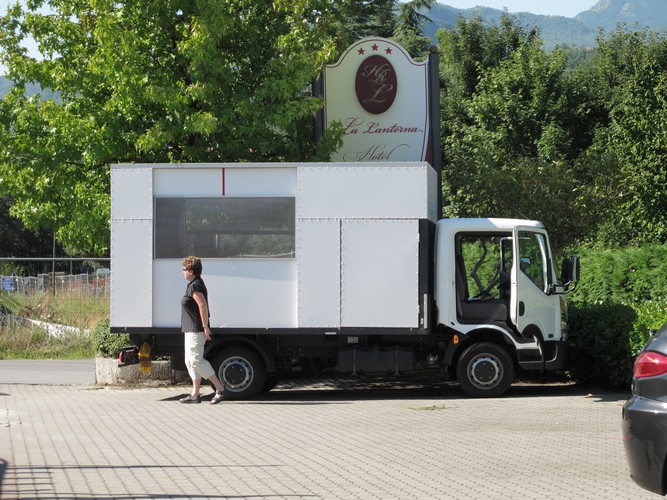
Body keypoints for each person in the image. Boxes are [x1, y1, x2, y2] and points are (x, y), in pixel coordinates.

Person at [179, 256, 225, 404]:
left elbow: (203, 306)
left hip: (196, 329)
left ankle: (220, 389)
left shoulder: (196, 285)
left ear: (191, 271)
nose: (182, 272)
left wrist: (205, 326)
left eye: (184, 269)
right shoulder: (193, 284)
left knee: (196, 360)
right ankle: (195, 394)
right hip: (190, 329)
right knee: (189, 361)